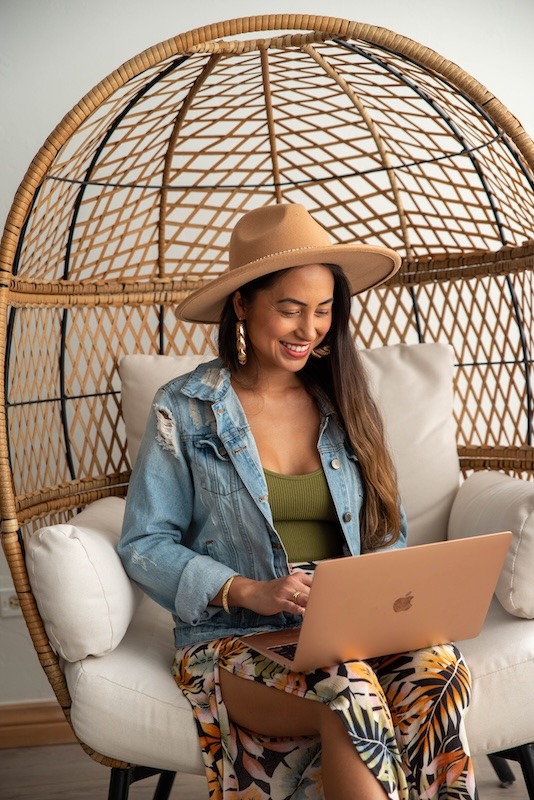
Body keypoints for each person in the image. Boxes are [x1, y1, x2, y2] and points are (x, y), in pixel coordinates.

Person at [118, 203, 478, 800]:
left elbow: (387, 533)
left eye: (322, 311)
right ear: (243, 304)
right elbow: (144, 543)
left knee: (440, 670)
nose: (308, 330)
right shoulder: (183, 407)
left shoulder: (346, 402)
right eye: (289, 309)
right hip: (231, 636)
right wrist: (246, 590)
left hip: (347, 631)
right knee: (348, 694)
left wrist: (384, 603)